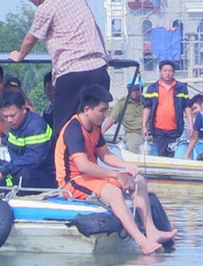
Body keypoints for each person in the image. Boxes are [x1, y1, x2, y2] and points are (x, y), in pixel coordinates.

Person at [54, 84, 177, 255]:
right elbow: (83, 166)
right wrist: (115, 174)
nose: (106, 116)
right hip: (73, 181)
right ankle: (141, 241)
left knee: (138, 180)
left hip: (91, 177)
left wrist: (126, 166)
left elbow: (104, 154)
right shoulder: (74, 129)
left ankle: (151, 231)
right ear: (87, 109)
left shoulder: (95, 127)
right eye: (102, 111)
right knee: (113, 191)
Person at [9, 0, 109, 137]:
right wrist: (105, 54)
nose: (30, 0)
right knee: (92, 129)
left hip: (71, 73)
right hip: (98, 69)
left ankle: (62, 163)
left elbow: (30, 39)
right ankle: (87, 162)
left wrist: (20, 55)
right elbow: (94, 26)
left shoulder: (45, 8)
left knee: (63, 130)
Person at [0, 89, 56, 191]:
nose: (9, 120)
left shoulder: (36, 126)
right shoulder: (16, 124)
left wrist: (4, 170)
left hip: (42, 172)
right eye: (5, 116)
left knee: (25, 175)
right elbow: (15, 141)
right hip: (18, 166)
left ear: (23, 109)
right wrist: (3, 140)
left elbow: (34, 159)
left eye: (12, 115)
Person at [141, 60, 191, 157]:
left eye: (170, 71)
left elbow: (187, 107)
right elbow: (147, 108)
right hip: (158, 130)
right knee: (160, 156)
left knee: (174, 156)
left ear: (174, 72)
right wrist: (144, 126)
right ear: (160, 72)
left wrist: (191, 125)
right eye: (165, 70)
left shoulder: (181, 87)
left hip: (175, 129)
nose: (167, 73)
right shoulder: (153, 88)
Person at [103, 83, 145, 152]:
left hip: (150, 134)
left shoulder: (147, 101)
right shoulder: (122, 103)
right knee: (134, 148)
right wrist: (102, 132)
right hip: (133, 133)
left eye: (137, 90)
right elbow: (112, 119)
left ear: (141, 90)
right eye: (132, 90)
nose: (135, 92)